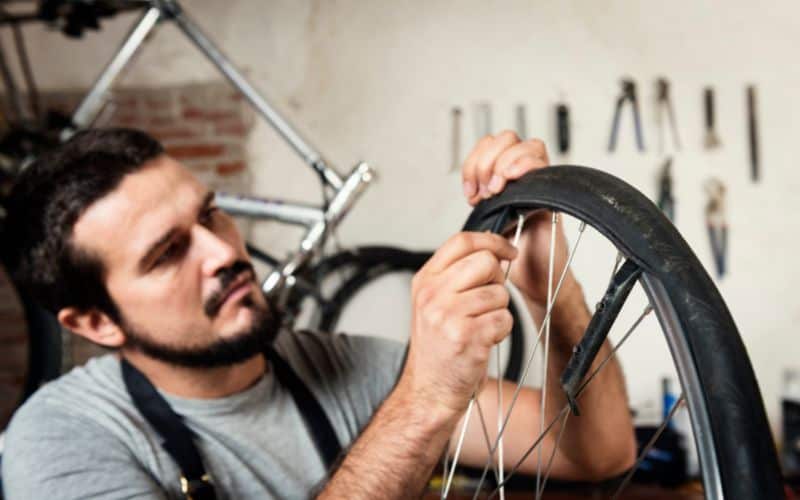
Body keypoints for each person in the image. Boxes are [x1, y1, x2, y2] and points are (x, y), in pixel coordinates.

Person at [0, 128, 634, 499]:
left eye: (210, 213)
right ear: (94, 323)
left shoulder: (345, 367)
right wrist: (423, 403)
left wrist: (552, 287)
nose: (224, 250)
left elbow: (598, 452)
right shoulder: (57, 442)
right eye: (169, 253)